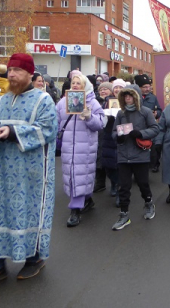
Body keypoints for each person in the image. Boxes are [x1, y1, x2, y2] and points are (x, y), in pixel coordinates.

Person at [0, 53, 57, 288]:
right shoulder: (2, 100)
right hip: (0, 171)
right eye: (10, 70)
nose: (11, 75)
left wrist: (12, 133)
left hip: (31, 174)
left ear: (30, 74)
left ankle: (34, 258)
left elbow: (48, 130)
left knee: (26, 212)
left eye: (17, 71)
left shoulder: (43, 100)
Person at [57, 74, 105, 227]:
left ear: (85, 86)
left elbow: (100, 124)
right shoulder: (63, 102)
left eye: (79, 83)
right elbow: (54, 121)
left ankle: (75, 210)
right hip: (67, 148)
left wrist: (88, 115)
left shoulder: (92, 102)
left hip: (85, 148)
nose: (76, 85)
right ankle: (87, 199)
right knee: (73, 176)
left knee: (80, 176)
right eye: (73, 82)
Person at [111, 84, 160, 230]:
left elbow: (155, 128)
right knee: (124, 186)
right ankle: (124, 214)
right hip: (124, 155)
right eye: (125, 96)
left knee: (143, 183)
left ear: (136, 97)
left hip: (140, 154)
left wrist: (141, 133)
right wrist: (118, 137)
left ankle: (149, 202)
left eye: (130, 96)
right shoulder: (121, 114)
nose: (127, 99)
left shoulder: (145, 112)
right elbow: (114, 131)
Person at [94, 82, 119, 199]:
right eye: (101, 89)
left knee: (112, 162)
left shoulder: (115, 102)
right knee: (102, 160)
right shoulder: (96, 102)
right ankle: (102, 182)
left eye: (106, 89)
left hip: (112, 134)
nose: (103, 91)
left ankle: (115, 184)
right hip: (100, 135)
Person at [135, 74, 162, 173]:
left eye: (149, 86)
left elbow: (159, 109)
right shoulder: (134, 97)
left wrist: (156, 114)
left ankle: (154, 164)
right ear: (139, 87)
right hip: (139, 126)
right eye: (145, 87)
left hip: (150, 126)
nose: (148, 89)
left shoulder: (152, 97)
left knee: (154, 146)